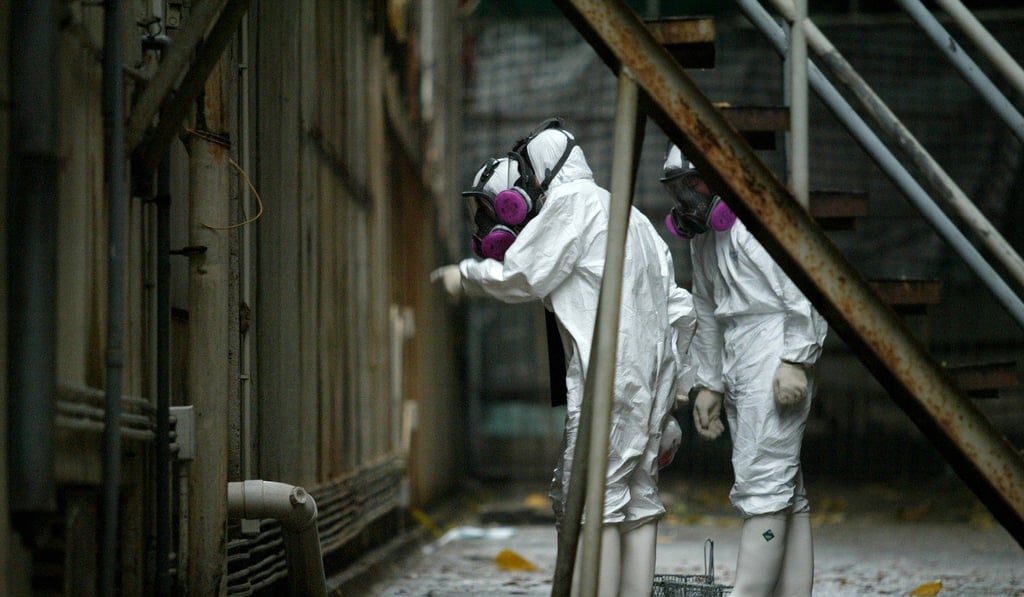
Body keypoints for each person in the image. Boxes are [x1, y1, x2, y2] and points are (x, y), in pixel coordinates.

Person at [432, 120, 695, 596]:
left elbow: (524, 274)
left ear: (541, 175)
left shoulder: (572, 205)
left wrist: (465, 276)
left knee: (589, 500)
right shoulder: (629, 215)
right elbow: (681, 307)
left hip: (608, 383)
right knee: (637, 501)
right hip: (647, 382)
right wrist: (674, 392)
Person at [660, 144, 827, 597]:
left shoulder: (764, 219)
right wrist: (708, 382)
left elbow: (805, 286)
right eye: (680, 188)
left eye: (693, 183)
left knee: (764, 483)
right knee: (786, 490)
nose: (687, 198)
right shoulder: (704, 237)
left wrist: (797, 358)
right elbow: (707, 309)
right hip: (740, 352)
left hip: (774, 345)